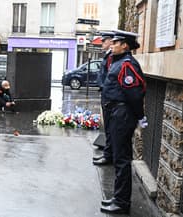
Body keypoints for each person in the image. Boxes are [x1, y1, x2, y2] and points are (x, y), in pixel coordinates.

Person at [99, 30, 147, 214]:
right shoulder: (120, 63)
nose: (112, 44)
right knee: (120, 158)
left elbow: (134, 95)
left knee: (121, 160)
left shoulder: (127, 65)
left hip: (123, 115)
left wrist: (140, 116)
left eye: (115, 42)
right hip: (117, 113)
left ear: (125, 45)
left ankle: (121, 202)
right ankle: (118, 197)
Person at [93, 31, 114, 166]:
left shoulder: (111, 56)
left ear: (110, 41)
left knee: (110, 128)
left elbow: (110, 77)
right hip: (106, 94)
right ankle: (108, 154)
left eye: (104, 41)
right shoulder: (108, 55)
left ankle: (108, 156)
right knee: (108, 127)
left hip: (108, 95)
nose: (102, 43)